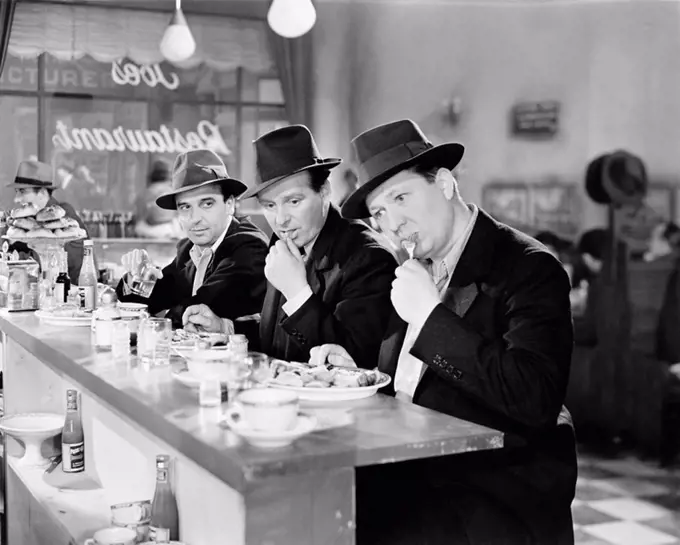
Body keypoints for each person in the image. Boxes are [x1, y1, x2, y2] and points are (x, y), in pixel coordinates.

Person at [314, 119, 577, 544]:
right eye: (380, 212)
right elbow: (412, 383)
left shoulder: (529, 267)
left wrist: (431, 316)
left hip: (491, 496)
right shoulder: (415, 268)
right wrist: (356, 372)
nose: (392, 222)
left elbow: (535, 398)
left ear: (444, 183)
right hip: (410, 482)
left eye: (402, 197)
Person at [183, 125, 397, 368]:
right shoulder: (284, 240)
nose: (281, 219)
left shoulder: (369, 257)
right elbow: (279, 335)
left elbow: (352, 360)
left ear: (324, 191)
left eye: (293, 201)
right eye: (270, 206)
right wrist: (226, 327)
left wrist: (297, 292)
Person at [116, 149, 268, 336]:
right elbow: (150, 299)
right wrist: (138, 275)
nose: (195, 218)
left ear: (229, 204)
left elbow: (199, 308)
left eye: (207, 204)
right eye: (185, 207)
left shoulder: (248, 246)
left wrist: (162, 314)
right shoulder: (189, 248)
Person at [5, 160, 90, 282]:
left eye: (22, 192)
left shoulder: (64, 218)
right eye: (17, 192)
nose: (17, 199)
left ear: (42, 192)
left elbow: (65, 262)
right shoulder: (27, 221)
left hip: (73, 293)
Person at [134, 159, 184, 239]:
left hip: (152, 233)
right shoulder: (172, 191)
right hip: (169, 232)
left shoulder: (144, 194)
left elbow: (140, 216)